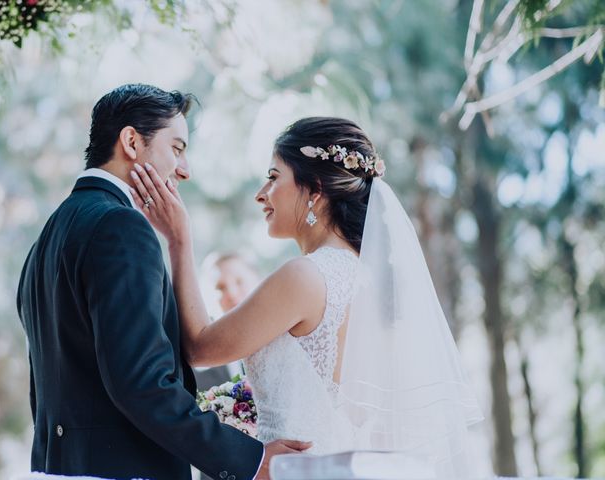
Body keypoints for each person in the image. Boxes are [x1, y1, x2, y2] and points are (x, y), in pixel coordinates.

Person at [131, 116, 485, 478]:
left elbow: (200, 348)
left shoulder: (306, 277)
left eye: (273, 177)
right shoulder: (377, 285)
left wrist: (178, 239)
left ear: (314, 189)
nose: (261, 193)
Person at [16, 84, 309, 480]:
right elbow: (142, 383)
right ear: (132, 142)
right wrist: (249, 459)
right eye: (177, 148)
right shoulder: (120, 227)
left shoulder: (47, 238)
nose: (184, 170)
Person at [195, 253, 260, 391]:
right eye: (220, 287)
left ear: (257, 281)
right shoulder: (197, 359)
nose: (232, 293)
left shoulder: (286, 337)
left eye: (239, 281)